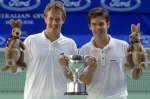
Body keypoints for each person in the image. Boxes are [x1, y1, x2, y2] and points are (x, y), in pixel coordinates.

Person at [8, 1, 77, 99]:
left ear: (63, 20)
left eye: (57, 19)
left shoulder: (71, 44)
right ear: (45, 19)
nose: (54, 23)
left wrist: (66, 67)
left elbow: (74, 78)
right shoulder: (31, 41)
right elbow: (15, 69)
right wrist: (11, 59)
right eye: (51, 18)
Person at [78, 7, 145, 99]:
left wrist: (139, 66)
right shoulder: (84, 50)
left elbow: (135, 75)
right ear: (90, 26)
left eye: (101, 24)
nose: (98, 27)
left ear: (108, 24)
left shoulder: (123, 46)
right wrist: (90, 69)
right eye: (94, 24)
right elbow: (83, 82)